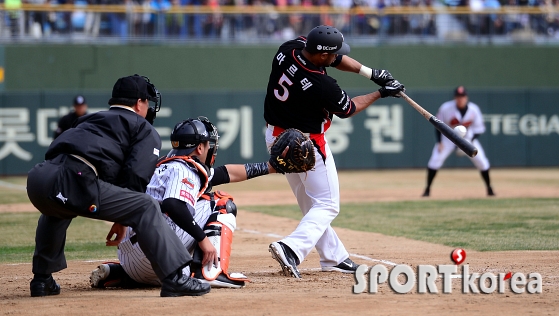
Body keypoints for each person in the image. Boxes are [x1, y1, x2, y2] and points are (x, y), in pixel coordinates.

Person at [26, 75, 211, 298]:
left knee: (56, 209)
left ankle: (42, 280)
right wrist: (123, 218)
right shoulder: (142, 128)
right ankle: (174, 278)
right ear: (139, 102)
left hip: (40, 178)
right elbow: (135, 177)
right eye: (147, 102)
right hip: (77, 178)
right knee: (146, 205)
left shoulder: (89, 119)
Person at [263, 25, 405, 278]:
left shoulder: (289, 48)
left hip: (275, 138)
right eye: (330, 55)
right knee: (328, 204)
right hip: (305, 144)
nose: (335, 57)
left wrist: (372, 73)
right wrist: (381, 92)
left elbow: (335, 58)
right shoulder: (321, 84)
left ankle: (334, 257)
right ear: (320, 55)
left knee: (310, 203)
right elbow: (348, 109)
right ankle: (291, 248)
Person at [89, 117, 277, 289]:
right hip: (153, 253)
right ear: (199, 148)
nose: (210, 147)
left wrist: (270, 167)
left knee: (196, 203)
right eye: (207, 143)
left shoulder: (165, 163)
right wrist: (203, 240)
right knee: (221, 202)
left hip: (130, 258)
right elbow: (173, 204)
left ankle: (119, 273)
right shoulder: (185, 168)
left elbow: (225, 173)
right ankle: (210, 273)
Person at [422, 86, 495, 197]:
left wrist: (469, 142)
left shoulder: (474, 109)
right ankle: (427, 190)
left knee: (482, 162)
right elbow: (437, 125)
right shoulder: (446, 108)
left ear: (466, 97)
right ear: (455, 97)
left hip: (468, 138)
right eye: (458, 96)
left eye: (462, 96)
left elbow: (479, 129)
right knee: (435, 160)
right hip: (448, 137)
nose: (460, 99)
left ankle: (489, 189)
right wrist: (439, 142)